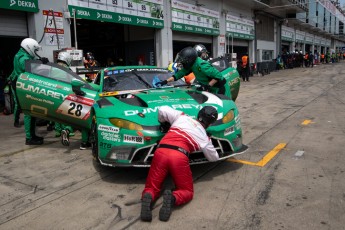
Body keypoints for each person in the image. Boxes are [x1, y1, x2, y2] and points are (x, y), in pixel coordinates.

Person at [141, 105, 219, 222]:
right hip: (178, 156)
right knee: (186, 191)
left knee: (152, 186)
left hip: (160, 151)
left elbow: (162, 109)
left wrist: (164, 123)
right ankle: (173, 198)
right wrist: (208, 140)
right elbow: (214, 158)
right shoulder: (203, 137)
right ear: (211, 123)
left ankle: (149, 195)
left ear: (199, 115)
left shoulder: (182, 117)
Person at [8, 38, 48, 145]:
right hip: (21, 85)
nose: (35, 53)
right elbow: (26, 65)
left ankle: (32, 135)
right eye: (34, 50)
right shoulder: (22, 57)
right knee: (28, 112)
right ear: (29, 48)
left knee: (31, 112)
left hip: (23, 84)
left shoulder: (22, 54)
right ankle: (29, 138)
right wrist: (40, 62)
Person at [156, 47, 226, 95]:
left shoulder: (202, 65)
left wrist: (207, 86)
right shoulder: (191, 65)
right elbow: (179, 74)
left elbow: (218, 76)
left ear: (189, 60)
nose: (182, 62)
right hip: (208, 87)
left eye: (183, 60)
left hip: (218, 88)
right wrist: (165, 81)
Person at [54, 51, 75, 144]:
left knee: (55, 111)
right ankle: (67, 129)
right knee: (65, 112)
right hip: (64, 92)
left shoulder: (52, 67)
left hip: (53, 91)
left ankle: (57, 131)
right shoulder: (67, 69)